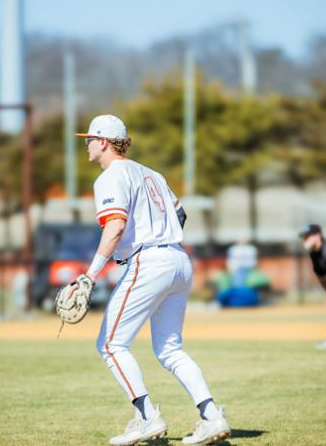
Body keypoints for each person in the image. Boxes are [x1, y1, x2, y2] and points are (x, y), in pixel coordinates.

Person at [75, 114, 231, 445]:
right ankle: (211, 416)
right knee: (170, 349)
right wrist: (161, 235)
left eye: (89, 138)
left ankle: (147, 418)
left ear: (104, 141)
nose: (86, 144)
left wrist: (90, 275)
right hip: (177, 259)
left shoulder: (110, 176)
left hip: (148, 262)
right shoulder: (152, 174)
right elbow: (180, 213)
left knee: (110, 344)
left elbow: (114, 227)